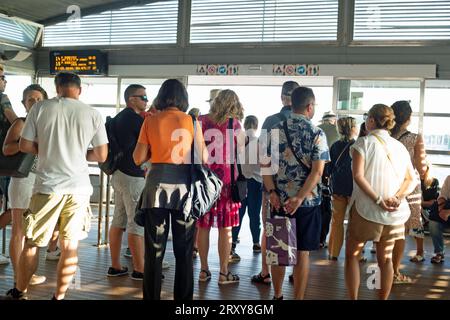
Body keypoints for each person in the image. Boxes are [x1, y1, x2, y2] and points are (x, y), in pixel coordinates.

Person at [5, 72, 108, 300]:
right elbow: (101, 154)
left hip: (47, 187)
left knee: (32, 244)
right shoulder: (92, 114)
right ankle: (58, 297)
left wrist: (48, 150)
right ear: (79, 90)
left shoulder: (40, 109)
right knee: (70, 248)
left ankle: (20, 291)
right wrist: (79, 153)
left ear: (56, 88)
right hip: (79, 189)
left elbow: (24, 144)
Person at [133, 79, 207, 300]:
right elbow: (203, 158)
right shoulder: (192, 122)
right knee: (184, 253)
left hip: (156, 190)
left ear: (161, 96)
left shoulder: (150, 121)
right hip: (184, 192)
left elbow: (137, 158)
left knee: (154, 252)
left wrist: (154, 151)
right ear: (183, 98)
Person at [263, 86, 329, 300]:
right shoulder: (317, 133)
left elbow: (265, 166)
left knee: (279, 254)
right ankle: (298, 297)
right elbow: (318, 171)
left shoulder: (275, 130)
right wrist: (300, 198)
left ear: (291, 104)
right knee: (302, 254)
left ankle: (278, 295)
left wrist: (272, 191)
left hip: (279, 201)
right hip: (307, 204)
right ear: (310, 107)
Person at [345, 104, 417, 300]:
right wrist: (397, 197)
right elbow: (412, 179)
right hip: (394, 214)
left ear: (370, 121)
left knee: (352, 255)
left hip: (365, 210)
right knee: (385, 259)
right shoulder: (400, 147)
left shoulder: (363, 143)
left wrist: (378, 199)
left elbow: (358, 176)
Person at [2, 84, 57, 285]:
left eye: (38, 99)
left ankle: (26, 273)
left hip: (43, 180)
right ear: (24, 104)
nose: (34, 103)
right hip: (23, 179)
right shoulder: (21, 123)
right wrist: (28, 144)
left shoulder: (51, 123)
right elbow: (6, 150)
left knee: (32, 231)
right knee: (18, 229)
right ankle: (19, 275)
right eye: (30, 100)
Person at [251, 80, 299, 285]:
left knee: (269, 228)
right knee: (298, 229)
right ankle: (297, 274)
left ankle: (265, 272)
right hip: (300, 190)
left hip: (273, 188)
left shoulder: (270, 121)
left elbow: (261, 155)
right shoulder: (307, 122)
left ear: (282, 97)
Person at [196, 89, 245, 285]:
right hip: (227, 183)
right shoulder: (236, 125)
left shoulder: (200, 121)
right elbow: (241, 152)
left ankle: (203, 269)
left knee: (203, 226)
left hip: (203, 181)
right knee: (226, 229)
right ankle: (224, 273)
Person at [107, 84, 148, 280]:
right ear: (131, 99)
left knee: (119, 220)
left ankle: (115, 265)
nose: (146, 101)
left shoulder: (117, 119)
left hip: (118, 174)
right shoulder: (135, 120)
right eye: (143, 97)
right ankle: (140, 269)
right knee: (135, 223)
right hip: (133, 176)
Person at [391, 101, 427, 279]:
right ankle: (420, 252)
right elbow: (420, 167)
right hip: (410, 186)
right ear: (409, 118)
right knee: (414, 217)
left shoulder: (386, 135)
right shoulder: (415, 138)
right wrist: (426, 172)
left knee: (393, 221)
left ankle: (387, 257)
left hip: (390, 185)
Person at [231, 115, 263, 258]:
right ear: (256, 126)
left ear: (245, 126)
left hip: (241, 182)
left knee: (238, 214)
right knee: (254, 214)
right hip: (256, 182)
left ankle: (232, 244)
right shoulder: (260, 142)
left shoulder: (239, 143)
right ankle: (256, 243)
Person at [327, 117, 357, 260]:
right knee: (353, 222)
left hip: (337, 187)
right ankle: (355, 254)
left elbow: (328, 167)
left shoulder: (334, 146)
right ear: (353, 128)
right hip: (353, 187)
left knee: (336, 221)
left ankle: (333, 252)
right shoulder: (357, 146)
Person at [0, 64, 18, 265]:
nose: (4, 81)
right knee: (15, 209)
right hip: (4, 161)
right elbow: (14, 121)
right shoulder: (2, 98)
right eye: (2, 77)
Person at [427, 174, 448, 264]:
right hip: (446, 209)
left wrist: (448, 212)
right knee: (433, 224)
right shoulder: (449, 178)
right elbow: (443, 195)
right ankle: (439, 252)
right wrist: (440, 208)